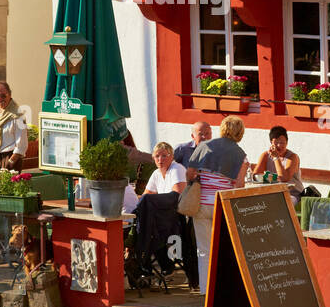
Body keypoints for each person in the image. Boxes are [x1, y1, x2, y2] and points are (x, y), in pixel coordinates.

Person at [185, 116, 249, 295]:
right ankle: (222, 290)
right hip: (222, 205)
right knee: (224, 249)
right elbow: (239, 186)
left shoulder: (204, 146)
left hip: (201, 204)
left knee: (204, 249)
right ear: (240, 132)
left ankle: (206, 290)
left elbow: (189, 174)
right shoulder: (240, 154)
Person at [126, 142, 186, 213]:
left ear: (172, 157)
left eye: (164, 156)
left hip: (177, 213)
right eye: (157, 156)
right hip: (165, 212)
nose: (160, 159)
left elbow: (177, 196)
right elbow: (146, 194)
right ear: (153, 158)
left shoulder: (177, 169)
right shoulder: (156, 173)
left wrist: (149, 199)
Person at [253, 126, 305, 204]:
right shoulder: (265, 156)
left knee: (279, 202)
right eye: (276, 143)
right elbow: (255, 176)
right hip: (273, 192)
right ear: (271, 143)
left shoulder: (292, 157)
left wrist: (276, 158)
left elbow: (284, 178)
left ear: (287, 143)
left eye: (282, 143)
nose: (279, 146)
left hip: (293, 194)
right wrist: (268, 178)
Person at [0, 81, 28, 170]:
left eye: (3, 95)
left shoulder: (18, 115)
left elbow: (22, 145)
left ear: (10, 95)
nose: (0, 99)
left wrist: (10, 163)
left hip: (11, 158)